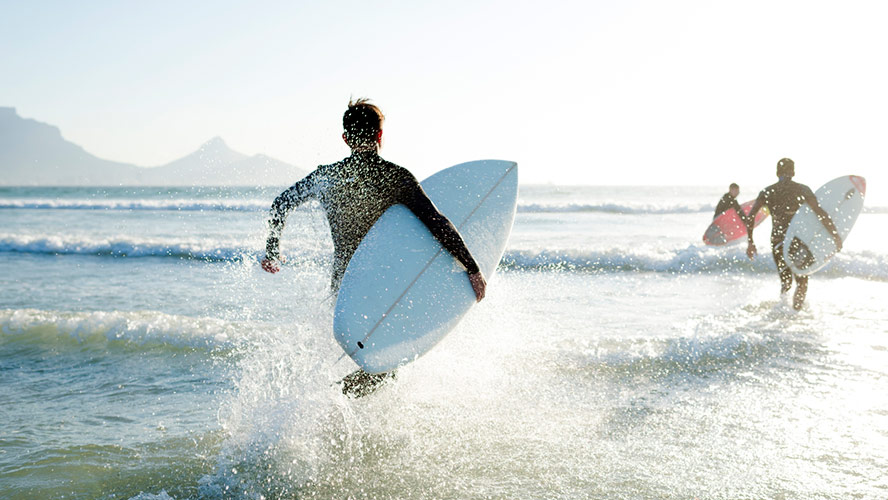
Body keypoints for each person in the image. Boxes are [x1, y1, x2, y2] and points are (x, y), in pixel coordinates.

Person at [261, 98, 487, 396]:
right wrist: (471, 267)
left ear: (345, 138)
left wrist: (272, 251)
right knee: (386, 362)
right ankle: (335, 401)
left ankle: (331, 404)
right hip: (384, 284)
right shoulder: (396, 177)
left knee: (366, 356)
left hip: (344, 285)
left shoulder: (328, 176)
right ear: (380, 135)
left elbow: (280, 204)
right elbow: (436, 222)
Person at [745, 158, 841, 311]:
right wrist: (834, 235)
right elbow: (819, 213)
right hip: (797, 240)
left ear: (777, 173)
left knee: (786, 281)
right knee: (802, 280)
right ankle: (796, 312)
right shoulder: (802, 190)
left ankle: (783, 312)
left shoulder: (768, 191)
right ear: (793, 172)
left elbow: (750, 217)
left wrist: (750, 242)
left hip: (777, 240)